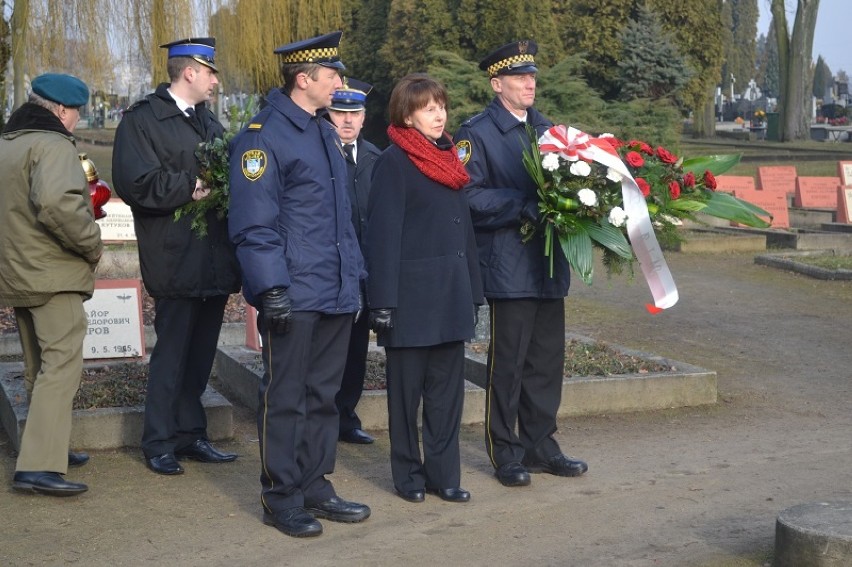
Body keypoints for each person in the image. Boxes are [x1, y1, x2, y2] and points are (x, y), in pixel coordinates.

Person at [228, 31, 370, 538]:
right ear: (304, 79)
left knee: (323, 394)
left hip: (332, 289)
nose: (340, 82)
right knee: (286, 395)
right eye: (332, 75)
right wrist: (270, 289)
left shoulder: (322, 131)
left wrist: (353, 279)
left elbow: (341, 220)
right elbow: (253, 223)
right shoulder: (263, 136)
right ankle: (281, 495)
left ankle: (315, 483)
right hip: (294, 291)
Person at [454, 40, 589, 487]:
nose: (530, 83)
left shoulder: (551, 130)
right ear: (497, 85)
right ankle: (506, 449)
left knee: (546, 360)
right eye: (519, 77)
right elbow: (468, 196)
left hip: (549, 263)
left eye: (532, 76)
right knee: (508, 363)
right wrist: (523, 205)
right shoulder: (475, 134)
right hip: (509, 264)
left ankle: (541, 443)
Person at [112, 38, 241, 476]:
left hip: (212, 257)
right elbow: (134, 182)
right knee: (172, 355)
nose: (215, 81)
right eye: (211, 72)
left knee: (201, 353)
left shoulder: (208, 121)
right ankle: (159, 441)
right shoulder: (144, 119)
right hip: (174, 254)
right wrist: (190, 186)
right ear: (190, 72)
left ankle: (191, 434)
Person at [366, 73, 483, 504]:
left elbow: (464, 232)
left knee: (446, 397)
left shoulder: (450, 159)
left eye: (441, 105)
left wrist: (474, 289)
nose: (439, 114)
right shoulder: (394, 162)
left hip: (451, 295)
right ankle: (408, 477)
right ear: (407, 116)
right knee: (406, 398)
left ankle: (443, 475)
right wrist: (382, 301)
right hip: (410, 302)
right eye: (428, 108)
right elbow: (382, 237)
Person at [0, 73, 103, 496]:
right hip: (52, 273)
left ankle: (47, 446)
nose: (77, 120)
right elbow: (58, 205)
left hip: (17, 270)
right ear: (61, 110)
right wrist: (93, 243)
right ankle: (39, 465)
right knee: (62, 366)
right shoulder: (54, 144)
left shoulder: (9, 143)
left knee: (38, 366)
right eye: (76, 112)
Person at [325, 77, 381, 445]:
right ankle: (324, 420)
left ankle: (346, 416)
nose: (347, 120)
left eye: (354, 113)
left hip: (365, 273)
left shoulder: (377, 159)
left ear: (364, 117)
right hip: (331, 272)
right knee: (330, 351)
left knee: (357, 350)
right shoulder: (320, 155)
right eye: (339, 112)